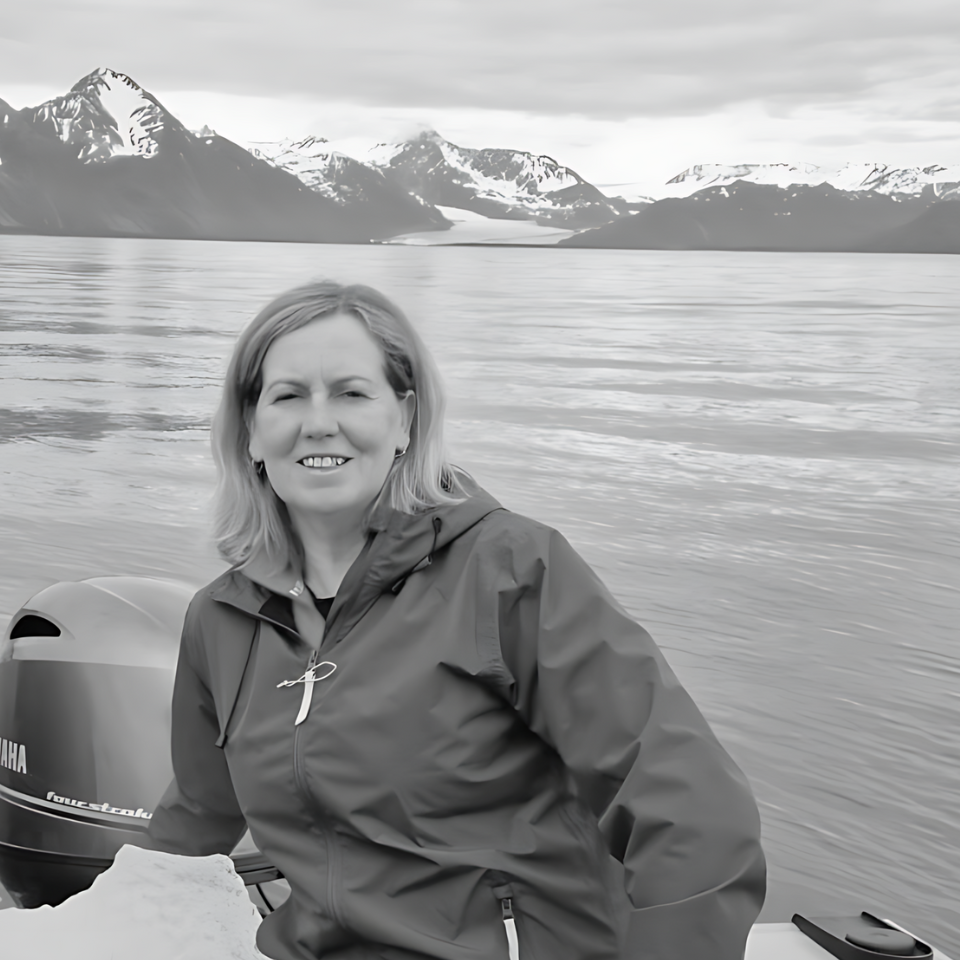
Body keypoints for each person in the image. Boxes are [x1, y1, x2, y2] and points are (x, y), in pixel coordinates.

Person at [146, 280, 766, 960]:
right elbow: (199, 816)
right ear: (252, 429)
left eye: (352, 393)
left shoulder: (508, 570)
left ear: (405, 420)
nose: (318, 422)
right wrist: (99, 913)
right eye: (288, 395)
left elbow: (695, 816)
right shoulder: (222, 619)